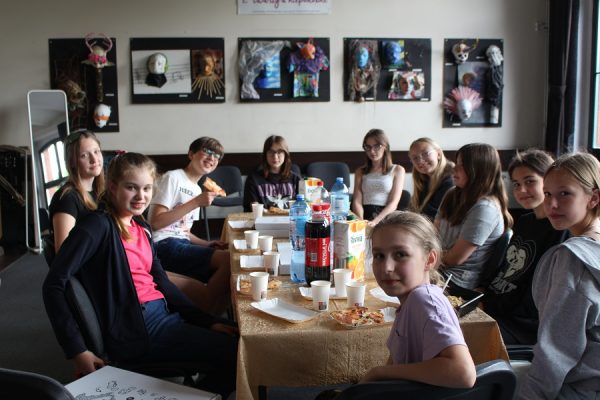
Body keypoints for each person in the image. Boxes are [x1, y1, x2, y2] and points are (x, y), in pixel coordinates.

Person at [43, 153, 238, 398]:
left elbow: (162, 283)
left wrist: (207, 321)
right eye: (131, 188)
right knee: (239, 353)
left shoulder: (141, 227)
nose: (141, 196)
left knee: (244, 337)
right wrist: (76, 350)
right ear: (113, 187)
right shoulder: (97, 226)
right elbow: (53, 284)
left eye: (146, 188)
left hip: (164, 316)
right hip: (138, 330)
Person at [360, 211, 476, 388]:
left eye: (400, 254)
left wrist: (379, 372)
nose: (387, 267)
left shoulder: (424, 300)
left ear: (429, 260)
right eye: (379, 256)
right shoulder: (410, 302)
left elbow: (463, 373)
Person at [518, 152, 600, 400]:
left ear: (593, 198)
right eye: (548, 194)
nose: (551, 204)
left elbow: (556, 352)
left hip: (578, 387)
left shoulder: (572, 259)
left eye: (564, 194)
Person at [482, 149, 568, 345]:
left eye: (530, 181)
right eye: (516, 184)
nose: (521, 190)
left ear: (549, 181)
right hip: (496, 304)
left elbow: (532, 295)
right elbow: (507, 271)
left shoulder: (560, 230)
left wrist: (487, 306)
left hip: (519, 323)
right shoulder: (524, 221)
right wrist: (482, 294)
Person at [148, 137, 231, 315]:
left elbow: (184, 231)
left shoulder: (197, 189)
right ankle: (210, 316)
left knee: (229, 263)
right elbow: (155, 223)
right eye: (207, 151)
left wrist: (206, 243)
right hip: (163, 245)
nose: (212, 157)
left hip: (179, 243)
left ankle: (209, 315)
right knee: (229, 261)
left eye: (217, 156)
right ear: (191, 154)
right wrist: (195, 203)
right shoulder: (173, 177)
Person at [435, 143, 513, 290]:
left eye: (462, 165)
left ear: (479, 170)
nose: (454, 168)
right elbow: (433, 233)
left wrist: (423, 257)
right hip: (438, 267)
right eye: (456, 163)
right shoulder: (452, 193)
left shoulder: (485, 208)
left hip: (457, 279)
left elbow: (455, 259)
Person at [49, 130, 105, 254]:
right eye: (84, 155)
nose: (94, 159)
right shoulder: (67, 198)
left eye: (96, 151)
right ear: (72, 162)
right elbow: (63, 253)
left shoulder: (101, 192)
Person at [352, 129, 405, 227]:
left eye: (377, 146)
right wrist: (361, 221)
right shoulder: (360, 171)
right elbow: (357, 201)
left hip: (385, 217)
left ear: (385, 146)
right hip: (363, 215)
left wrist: (376, 221)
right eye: (368, 147)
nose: (372, 151)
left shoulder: (397, 170)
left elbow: (393, 203)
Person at [243, 135, 301, 211]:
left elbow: (302, 205)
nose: (275, 156)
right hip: (263, 218)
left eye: (279, 152)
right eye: (271, 152)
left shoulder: (296, 179)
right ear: (265, 155)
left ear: (285, 154)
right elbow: (254, 206)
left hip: (290, 218)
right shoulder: (253, 179)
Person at [408, 138, 454, 220]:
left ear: (438, 154)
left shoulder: (451, 180)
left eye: (425, 154)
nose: (421, 161)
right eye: (415, 158)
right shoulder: (423, 179)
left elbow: (432, 215)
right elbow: (415, 209)